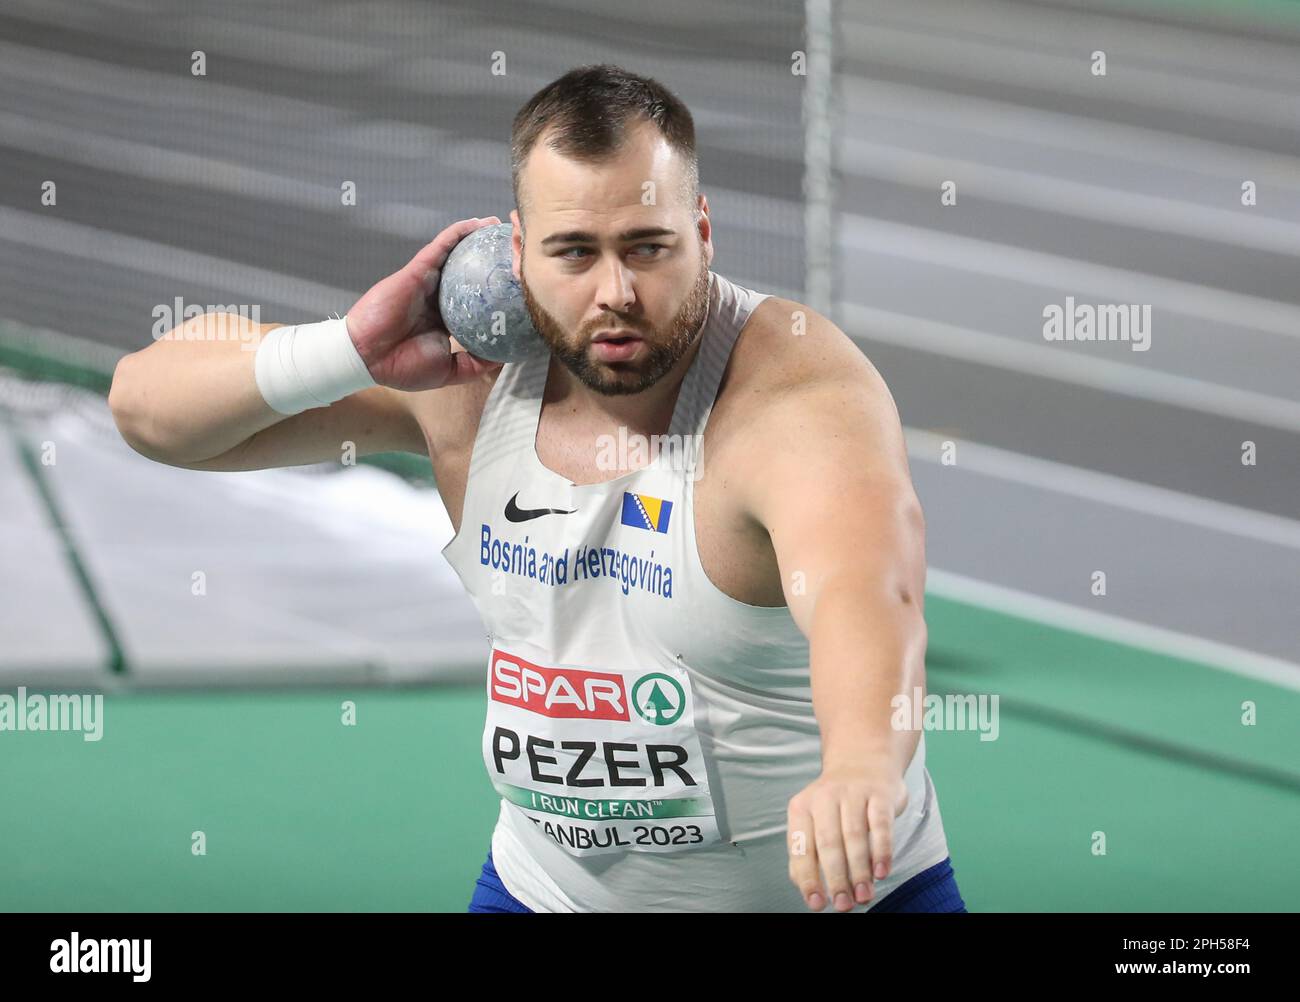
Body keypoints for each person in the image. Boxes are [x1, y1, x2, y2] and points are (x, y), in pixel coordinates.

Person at [109, 63, 966, 914]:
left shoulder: (796, 398)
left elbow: (867, 596)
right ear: (516, 254)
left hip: (840, 899)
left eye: (648, 247)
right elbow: (148, 411)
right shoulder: (467, 383)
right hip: (549, 891)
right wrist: (347, 349)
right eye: (574, 254)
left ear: (702, 230)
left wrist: (859, 763)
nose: (615, 294)